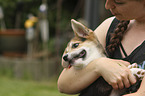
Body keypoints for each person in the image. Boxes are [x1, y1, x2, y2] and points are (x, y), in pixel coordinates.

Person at [57, 0, 145, 96]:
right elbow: (63, 84)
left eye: (119, 2)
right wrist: (99, 65)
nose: (107, 6)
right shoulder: (110, 26)